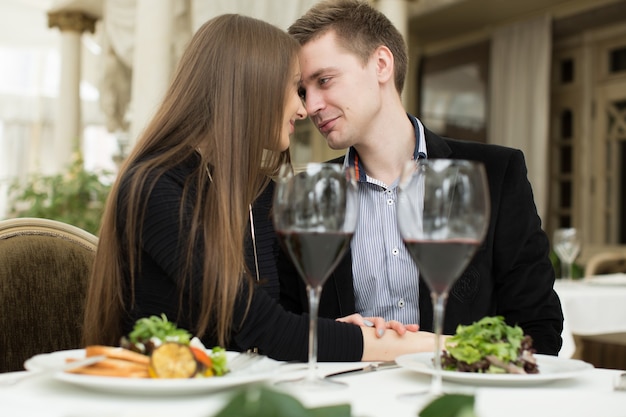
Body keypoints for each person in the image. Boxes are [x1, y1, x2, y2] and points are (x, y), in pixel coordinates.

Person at [82, 13, 435, 363]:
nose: (304, 109)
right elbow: (274, 332)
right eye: (296, 88)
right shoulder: (155, 185)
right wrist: (440, 345)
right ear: (251, 86)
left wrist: (334, 330)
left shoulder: (260, 194)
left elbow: (269, 328)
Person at [280, 0, 564, 355]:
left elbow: (539, 327)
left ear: (381, 64)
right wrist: (333, 336)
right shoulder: (310, 192)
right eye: (304, 91)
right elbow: (287, 325)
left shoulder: (496, 173)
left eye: (324, 80)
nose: (310, 106)